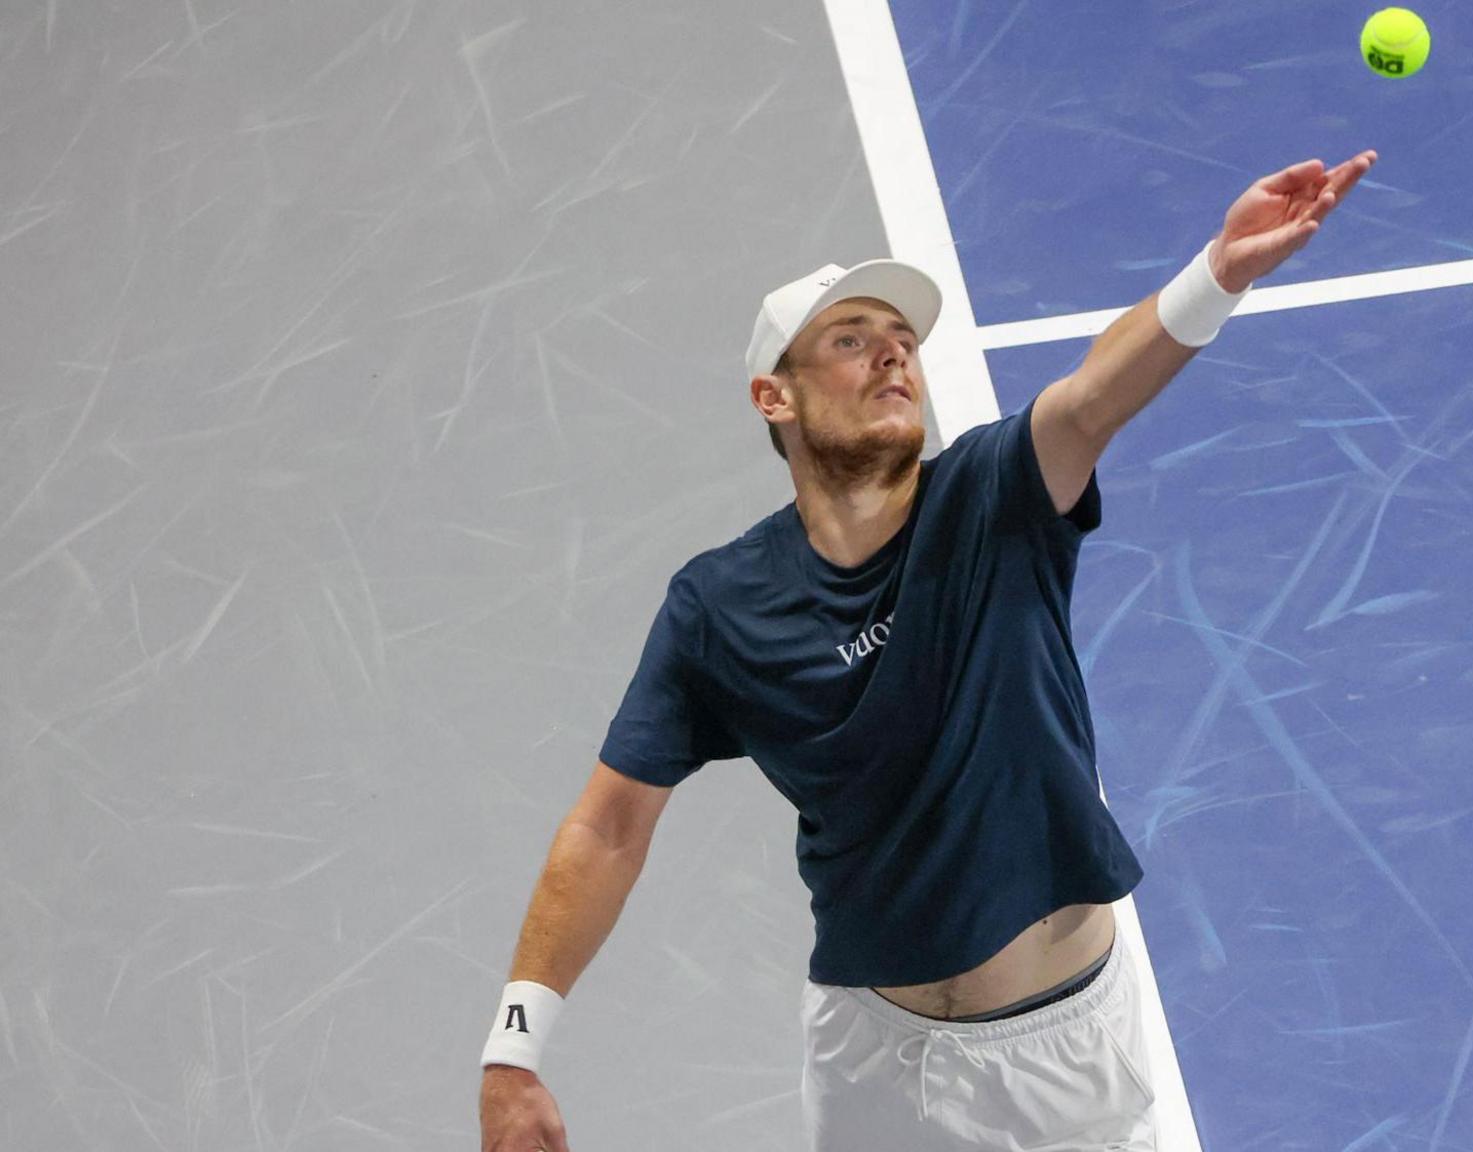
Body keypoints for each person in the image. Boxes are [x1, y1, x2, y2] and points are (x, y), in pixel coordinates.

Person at [477, 149, 1377, 1152]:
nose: (892, 357)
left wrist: (1217, 271)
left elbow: (1089, 398)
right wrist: (514, 1048)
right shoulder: (718, 607)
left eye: (901, 341)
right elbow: (608, 826)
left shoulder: (994, 499)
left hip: (1059, 1063)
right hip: (871, 1054)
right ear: (773, 399)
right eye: (852, 340)